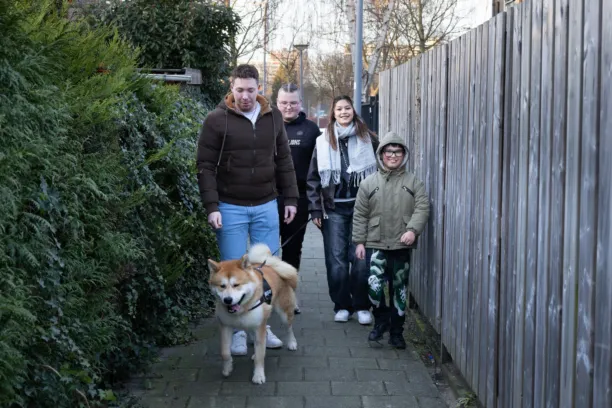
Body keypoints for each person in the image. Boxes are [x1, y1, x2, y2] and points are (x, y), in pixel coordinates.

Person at [196, 64, 299, 356]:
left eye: (250, 90)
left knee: (266, 273)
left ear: (259, 88)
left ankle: (262, 329)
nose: (245, 96)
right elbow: (204, 166)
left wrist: (290, 198)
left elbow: (284, 161)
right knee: (232, 274)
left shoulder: (273, 117)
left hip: (267, 203)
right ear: (232, 88)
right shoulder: (216, 120)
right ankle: (238, 333)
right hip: (230, 207)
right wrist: (212, 206)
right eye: (239, 90)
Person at [352, 131, 430, 349]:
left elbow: (422, 207)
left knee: (400, 290)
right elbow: (360, 214)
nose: (393, 156)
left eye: (397, 152)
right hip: (375, 243)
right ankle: (381, 320)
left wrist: (413, 230)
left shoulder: (413, 182)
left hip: (401, 244)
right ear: (381, 154)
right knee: (374, 287)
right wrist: (359, 242)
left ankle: (397, 331)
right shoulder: (369, 183)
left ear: (404, 154)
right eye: (389, 152)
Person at [306, 95, 378, 325]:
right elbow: (313, 178)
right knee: (336, 260)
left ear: (353, 110)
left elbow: (382, 170)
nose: (344, 112)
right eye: (339, 109)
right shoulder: (322, 141)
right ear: (333, 114)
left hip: (362, 208)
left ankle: (362, 305)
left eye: (347, 108)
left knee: (360, 259)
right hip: (334, 209)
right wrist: (315, 210)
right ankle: (341, 305)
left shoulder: (369, 138)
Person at [275, 83, 321, 314]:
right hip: (269, 198)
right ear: (277, 103)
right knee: (268, 249)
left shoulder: (312, 130)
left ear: (300, 104)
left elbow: (321, 166)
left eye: (293, 102)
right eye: (283, 103)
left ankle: (289, 295)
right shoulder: (267, 126)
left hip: (300, 199)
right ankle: (267, 294)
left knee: (292, 249)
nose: (288, 107)